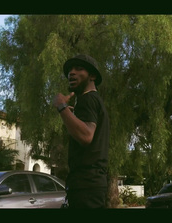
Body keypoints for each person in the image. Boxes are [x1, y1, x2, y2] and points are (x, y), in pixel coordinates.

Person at [53, 54, 110, 208]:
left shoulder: (88, 99)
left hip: (86, 186)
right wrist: (72, 116)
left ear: (92, 76)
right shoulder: (92, 101)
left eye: (79, 69)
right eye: (70, 70)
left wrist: (62, 108)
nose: (72, 73)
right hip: (91, 185)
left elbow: (86, 136)